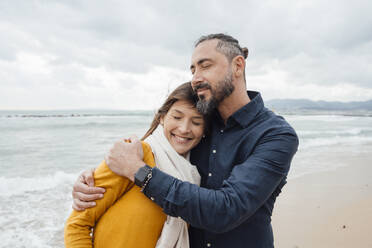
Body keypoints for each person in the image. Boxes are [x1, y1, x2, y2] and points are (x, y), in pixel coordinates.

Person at [73, 33, 299, 248]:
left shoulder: (276, 135)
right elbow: (160, 154)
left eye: (205, 65)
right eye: (193, 69)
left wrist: (138, 171)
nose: (195, 77)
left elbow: (225, 210)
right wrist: (96, 177)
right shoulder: (199, 125)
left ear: (237, 66)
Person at [64, 82, 207, 247]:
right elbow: (77, 225)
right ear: (161, 117)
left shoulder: (194, 175)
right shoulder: (133, 154)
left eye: (196, 122)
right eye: (177, 117)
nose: (184, 129)